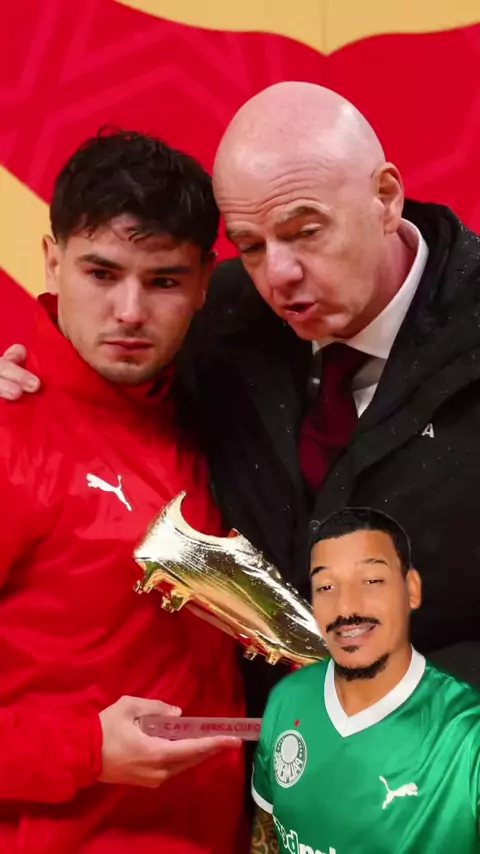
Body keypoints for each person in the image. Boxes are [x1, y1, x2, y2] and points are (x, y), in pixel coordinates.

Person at [3, 82, 480, 684]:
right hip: (241, 740)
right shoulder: (222, 316)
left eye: (306, 231)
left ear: (385, 198)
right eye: (250, 246)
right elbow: (101, 387)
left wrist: (413, 712)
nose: (278, 275)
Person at [0, 129, 246, 854]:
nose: (130, 311)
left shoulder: (214, 413)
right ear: (52, 261)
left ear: (204, 281)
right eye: (101, 273)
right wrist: (81, 749)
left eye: (163, 280)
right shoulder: (11, 434)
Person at [251, 507, 480, 854]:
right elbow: (267, 835)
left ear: (411, 589)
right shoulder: (288, 700)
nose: (346, 608)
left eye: (371, 581)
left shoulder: (466, 737)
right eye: (327, 586)